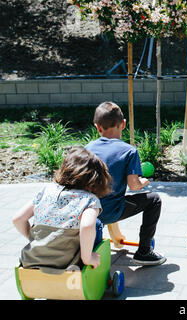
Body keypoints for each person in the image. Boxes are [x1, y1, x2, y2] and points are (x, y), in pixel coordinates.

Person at [85, 101, 166, 266]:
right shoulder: (129, 151)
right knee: (154, 200)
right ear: (123, 124)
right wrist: (143, 181)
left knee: (113, 195)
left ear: (97, 127)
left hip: (87, 211)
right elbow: (134, 186)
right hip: (110, 211)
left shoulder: (87, 148)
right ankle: (144, 252)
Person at [12, 147, 111, 270]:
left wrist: (36, 240)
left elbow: (18, 219)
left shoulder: (47, 190)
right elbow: (87, 226)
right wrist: (88, 258)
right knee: (96, 224)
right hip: (66, 263)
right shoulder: (89, 200)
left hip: (31, 260)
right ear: (97, 179)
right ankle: (89, 261)